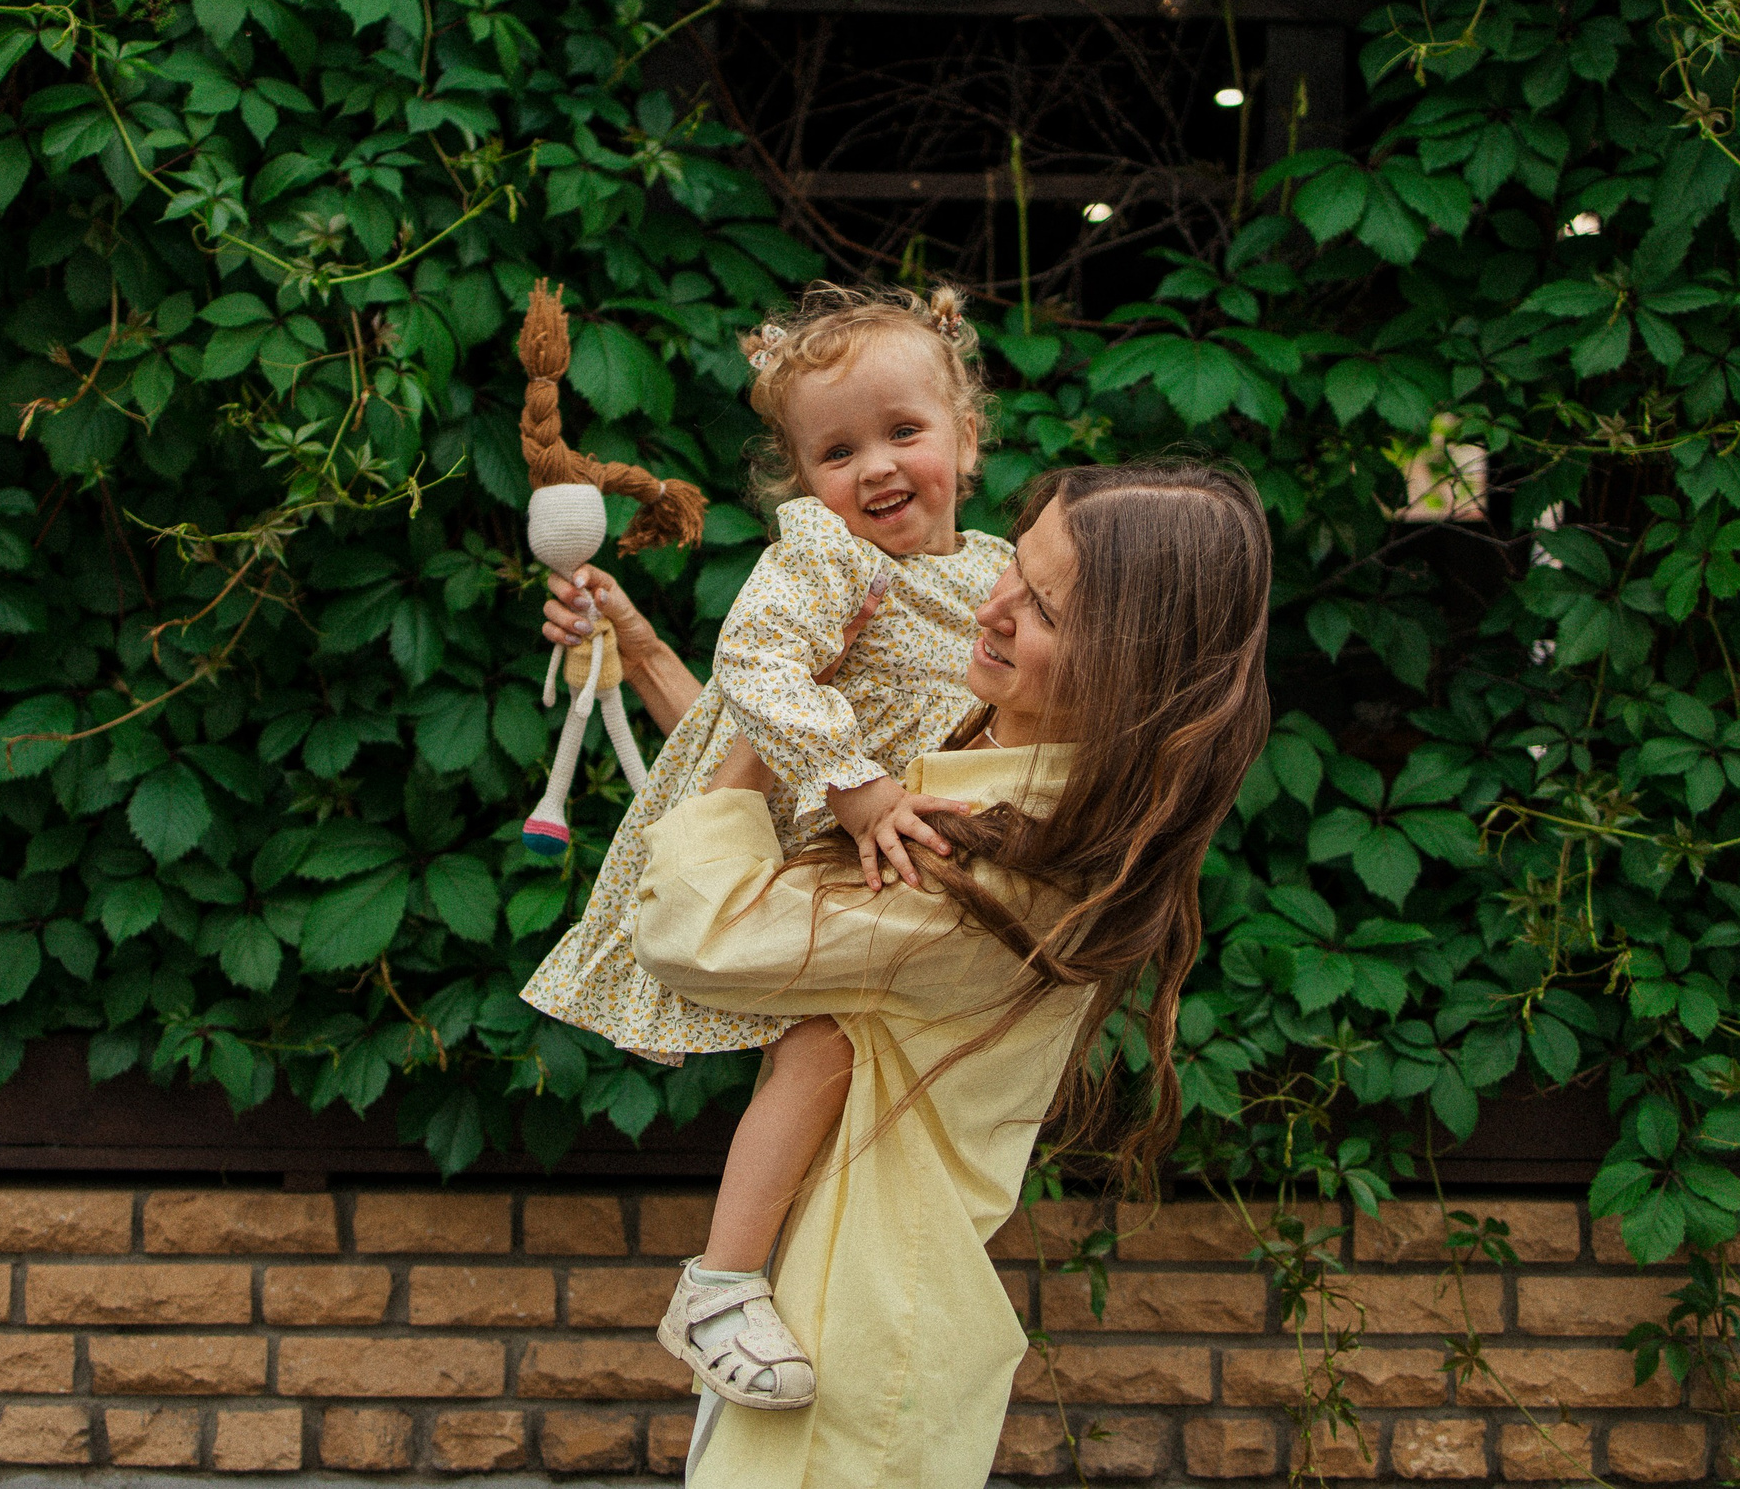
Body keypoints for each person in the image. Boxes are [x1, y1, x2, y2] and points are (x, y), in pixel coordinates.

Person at [558, 460, 1271, 1487]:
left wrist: (788, 710)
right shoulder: (1008, 768)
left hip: (852, 1361)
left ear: (1131, 666)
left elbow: (696, 923)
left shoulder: (983, 870)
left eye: (1044, 608)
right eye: (1012, 570)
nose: (991, 606)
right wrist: (654, 654)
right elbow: (786, 821)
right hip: (834, 1322)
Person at [520, 283, 1011, 1408]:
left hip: (881, 864)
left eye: (903, 432)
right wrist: (857, 787)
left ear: (964, 440)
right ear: (800, 481)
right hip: (817, 846)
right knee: (822, 1046)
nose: (875, 467)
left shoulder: (990, 573)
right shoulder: (821, 559)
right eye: (836, 451)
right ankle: (720, 1281)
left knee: (863, 1080)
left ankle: (785, 1279)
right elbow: (757, 679)